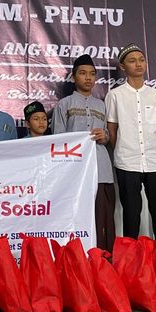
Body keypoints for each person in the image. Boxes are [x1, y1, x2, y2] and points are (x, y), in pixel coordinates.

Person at [105, 44, 156, 239]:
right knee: (131, 215)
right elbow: (112, 129)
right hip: (127, 161)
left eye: (141, 60)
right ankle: (132, 262)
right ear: (123, 66)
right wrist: (123, 149)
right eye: (132, 61)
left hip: (155, 161)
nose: (138, 64)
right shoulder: (115, 95)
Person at [53, 54, 115, 251]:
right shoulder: (64, 104)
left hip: (101, 169)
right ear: (73, 77)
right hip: (76, 171)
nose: (88, 78)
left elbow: (108, 135)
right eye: (82, 73)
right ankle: (79, 258)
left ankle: (105, 259)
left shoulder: (101, 105)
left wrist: (104, 136)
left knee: (103, 217)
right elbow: (58, 139)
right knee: (78, 216)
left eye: (92, 74)